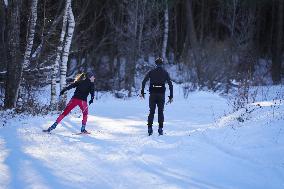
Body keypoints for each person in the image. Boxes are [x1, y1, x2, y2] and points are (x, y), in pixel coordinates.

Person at [141, 57, 173, 136]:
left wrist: (142, 92)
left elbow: (144, 81)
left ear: (156, 63)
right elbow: (170, 84)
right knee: (160, 112)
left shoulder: (151, 72)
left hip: (153, 94)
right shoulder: (165, 73)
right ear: (162, 64)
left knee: (151, 111)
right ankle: (160, 129)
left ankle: (149, 128)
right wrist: (171, 96)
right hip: (161, 94)